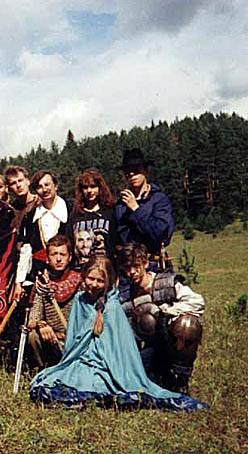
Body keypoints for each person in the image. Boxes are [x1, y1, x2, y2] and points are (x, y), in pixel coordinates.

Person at [29, 257, 207, 411]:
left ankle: (178, 378)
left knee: (93, 382)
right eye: (90, 278)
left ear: (108, 282)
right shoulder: (80, 300)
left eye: (100, 281)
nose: (94, 284)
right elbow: (74, 340)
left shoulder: (112, 306)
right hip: (81, 359)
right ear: (84, 276)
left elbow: (116, 346)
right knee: (50, 381)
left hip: (108, 364)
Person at [117, 243, 205, 393]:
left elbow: (197, 301)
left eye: (136, 266)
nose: (131, 272)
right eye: (127, 268)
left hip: (172, 343)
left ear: (145, 263)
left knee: (188, 324)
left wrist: (168, 312)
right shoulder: (126, 294)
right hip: (150, 347)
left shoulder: (165, 283)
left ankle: (180, 379)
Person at [27, 235, 82, 368]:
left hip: (75, 338)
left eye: (62, 254)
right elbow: (32, 319)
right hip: (51, 339)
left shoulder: (80, 282)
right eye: (54, 254)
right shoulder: (43, 283)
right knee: (32, 336)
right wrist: (41, 325)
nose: (58, 259)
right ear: (47, 258)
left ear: (69, 257)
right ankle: (42, 369)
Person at [14, 170, 68, 302]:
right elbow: (26, 250)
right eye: (39, 186)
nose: (44, 189)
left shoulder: (71, 211)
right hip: (39, 281)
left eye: (47, 184)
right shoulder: (31, 216)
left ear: (56, 185)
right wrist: (19, 282)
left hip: (66, 281)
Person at [114, 148, 174, 260]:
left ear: (146, 171)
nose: (131, 174)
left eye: (136, 170)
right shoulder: (120, 205)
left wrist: (136, 209)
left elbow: (160, 234)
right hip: (127, 264)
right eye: (127, 171)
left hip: (153, 263)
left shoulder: (159, 200)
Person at [67, 168, 117, 268]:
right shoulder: (75, 215)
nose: (89, 191)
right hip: (80, 269)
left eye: (93, 186)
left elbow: (115, 243)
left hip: (104, 268)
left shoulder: (109, 212)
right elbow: (69, 243)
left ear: (100, 188)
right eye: (85, 187)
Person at [5, 165, 38, 230]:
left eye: (20, 180)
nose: (18, 185)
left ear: (28, 181)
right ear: (9, 188)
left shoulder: (40, 204)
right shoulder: (11, 212)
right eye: (13, 183)